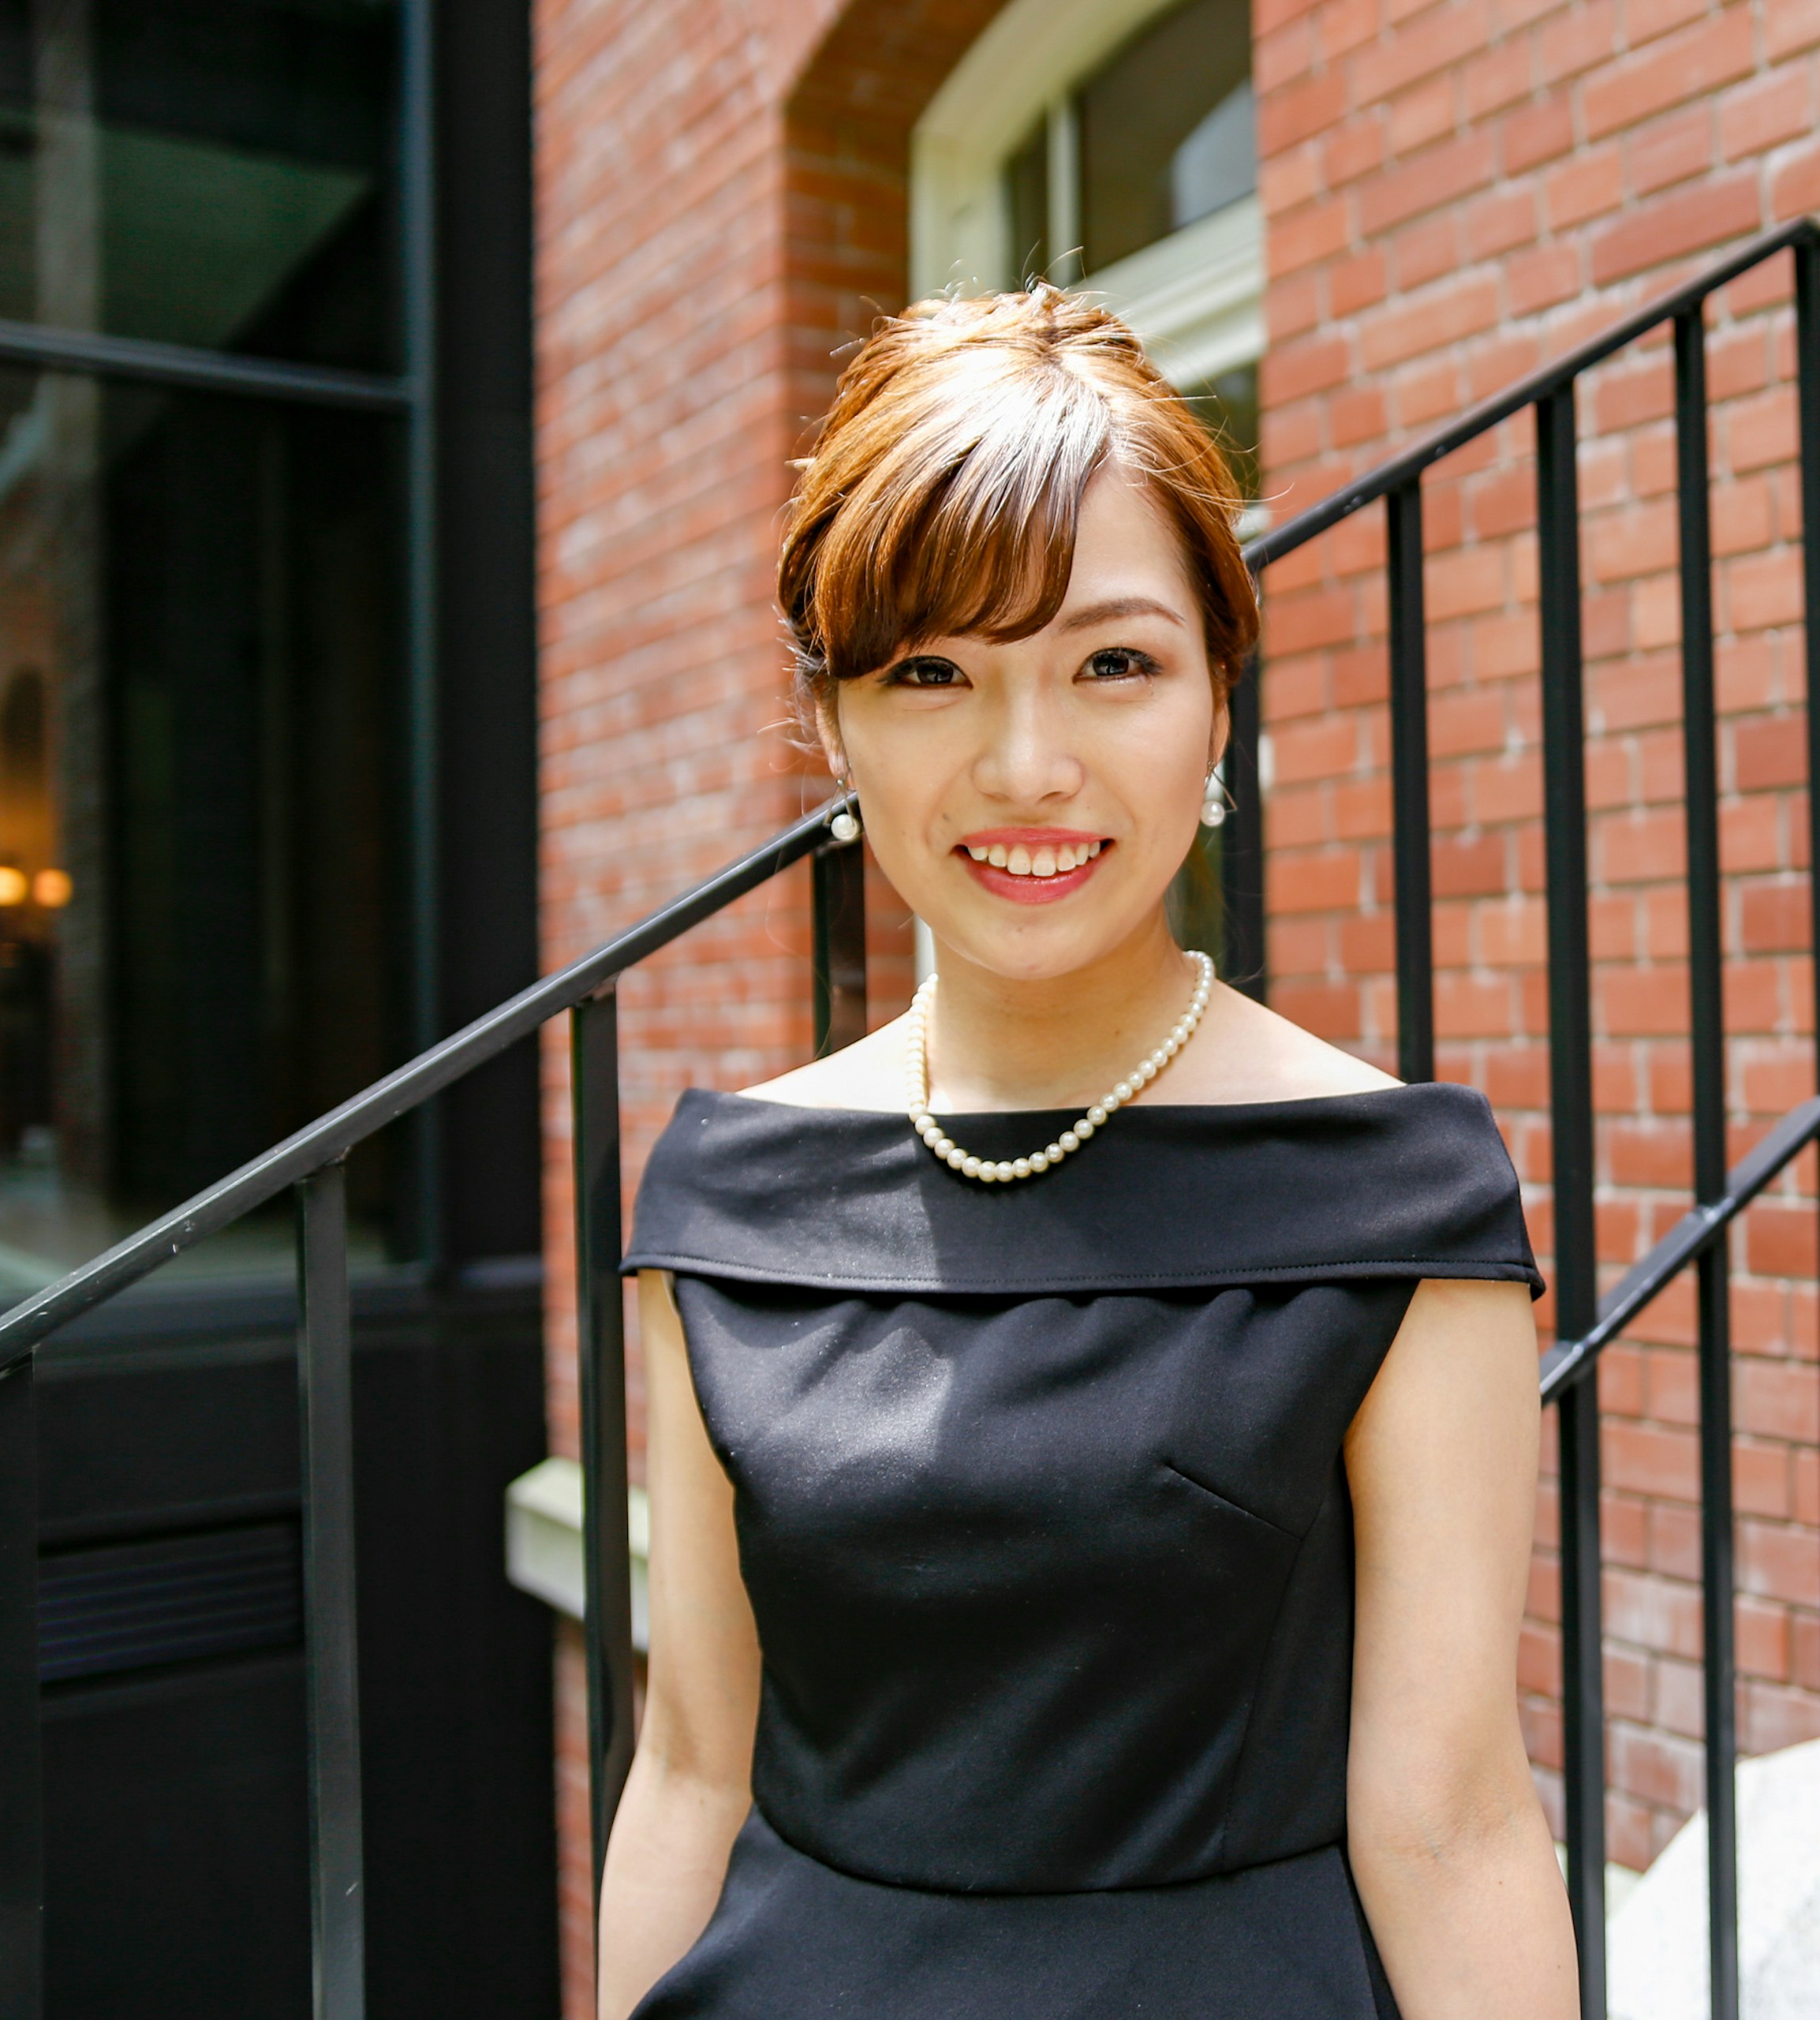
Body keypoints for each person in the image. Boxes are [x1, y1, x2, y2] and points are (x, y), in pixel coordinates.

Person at [592, 287, 1580, 2020]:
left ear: (1217, 706)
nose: (1026, 766)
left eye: (1112, 662)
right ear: (834, 728)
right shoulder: (723, 1205)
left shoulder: (1396, 1196)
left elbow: (1455, 1820)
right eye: (932, 674)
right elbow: (689, 1766)